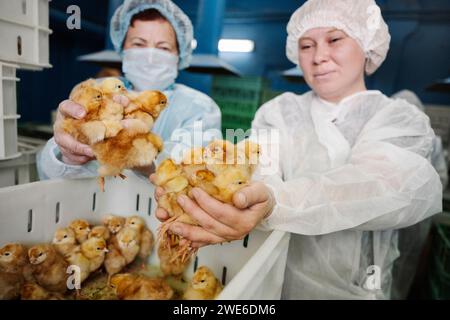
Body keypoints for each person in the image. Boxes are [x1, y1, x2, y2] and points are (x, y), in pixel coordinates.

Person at [152, 0, 443, 299]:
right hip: (274, 278)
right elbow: (255, 174)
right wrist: (218, 195)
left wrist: (276, 202)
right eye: (306, 46)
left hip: (357, 287)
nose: (318, 56)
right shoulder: (280, 112)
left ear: (367, 44)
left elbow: (384, 186)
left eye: (334, 39)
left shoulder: (397, 118)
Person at [37, 0, 221, 180]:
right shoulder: (96, 92)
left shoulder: (198, 107)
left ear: (179, 55)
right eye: (139, 44)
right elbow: (50, 173)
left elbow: (199, 173)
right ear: (122, 48)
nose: (150, 56)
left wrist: (142, 155)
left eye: (163, 47)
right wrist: (70, 156)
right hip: (97, 205)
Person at [390, 89, 448, 299]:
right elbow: (441, 179)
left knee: (387, 261)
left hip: (398, 215)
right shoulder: (432, 140)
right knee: (403, 261)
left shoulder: (426, 140)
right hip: (415, 216)